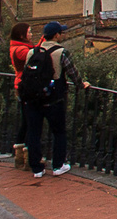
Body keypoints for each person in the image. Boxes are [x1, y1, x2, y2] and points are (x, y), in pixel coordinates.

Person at [18, 22, 85, 178]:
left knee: (34, 133)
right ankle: (58, 166)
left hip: (33, 99)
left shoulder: (32, 52)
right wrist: (82, 85)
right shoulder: (61, 52)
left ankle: (37, 169)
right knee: (59, 132)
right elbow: (73, 74)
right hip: (54, 99)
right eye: (61, 32)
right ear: (56, 35)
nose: (62, 35)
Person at [5, 23, 30, 170]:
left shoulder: (16, 47)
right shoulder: (21, 50)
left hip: (19, 85)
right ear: (22, 35)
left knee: (25, 121)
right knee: (29, 121)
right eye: (29, 31)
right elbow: (35, 57)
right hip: (24, 86)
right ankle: (26, 158)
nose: (31, 34)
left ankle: (20, 157)